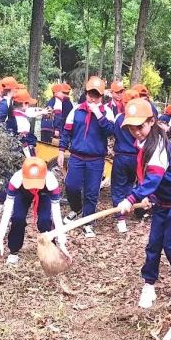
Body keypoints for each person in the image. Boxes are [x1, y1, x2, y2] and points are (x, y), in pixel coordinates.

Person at [117, 98, 171, 307]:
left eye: (140, 126)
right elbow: (148, 178)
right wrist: (149, 197)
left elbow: (154, 178)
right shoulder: (142, 143)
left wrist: (131, 197)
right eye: (131, 128)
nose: (136, 131)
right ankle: (149, 284)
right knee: (153, 245)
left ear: (151, 121)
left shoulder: (159, 144)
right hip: (162, 202)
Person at [58, 76, 115, 237]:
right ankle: (76, 209)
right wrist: (61, 150)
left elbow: (110, 132)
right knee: (71, 186)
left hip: (96, 159)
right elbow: (67, 132)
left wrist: (99, 114)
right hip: (76, 156)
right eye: (90, 94)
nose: (92, 98)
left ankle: (88, 222)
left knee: (91, 192)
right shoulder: (76, 110)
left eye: (96, 95)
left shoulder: (107, 112)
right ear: (86, 93)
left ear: (101, 96)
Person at [0, 157, 68, 265]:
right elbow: (7, 213)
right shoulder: (16, 179)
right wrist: (0, 241)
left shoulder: (51, 181)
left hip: (43, 194)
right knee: (17, 218)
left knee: (45, 220)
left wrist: (62, 243)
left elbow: (56, 215)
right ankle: (14, 251)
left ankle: (50, 251)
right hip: (22, 193)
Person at [111, 89, 140, 233]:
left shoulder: (119, 118)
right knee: (129, 184)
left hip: (122, 156)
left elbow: (114, 133)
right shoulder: (141, 120)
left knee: (118, 186)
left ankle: (120, 217)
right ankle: (124, 212)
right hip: (135, 157)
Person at [12, 89, 38, 157]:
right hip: (22, 151)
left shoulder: (12, 116)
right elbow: (24, 141)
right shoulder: (21, 120)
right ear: (24, 104)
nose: (28, 105)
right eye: (27, 103)